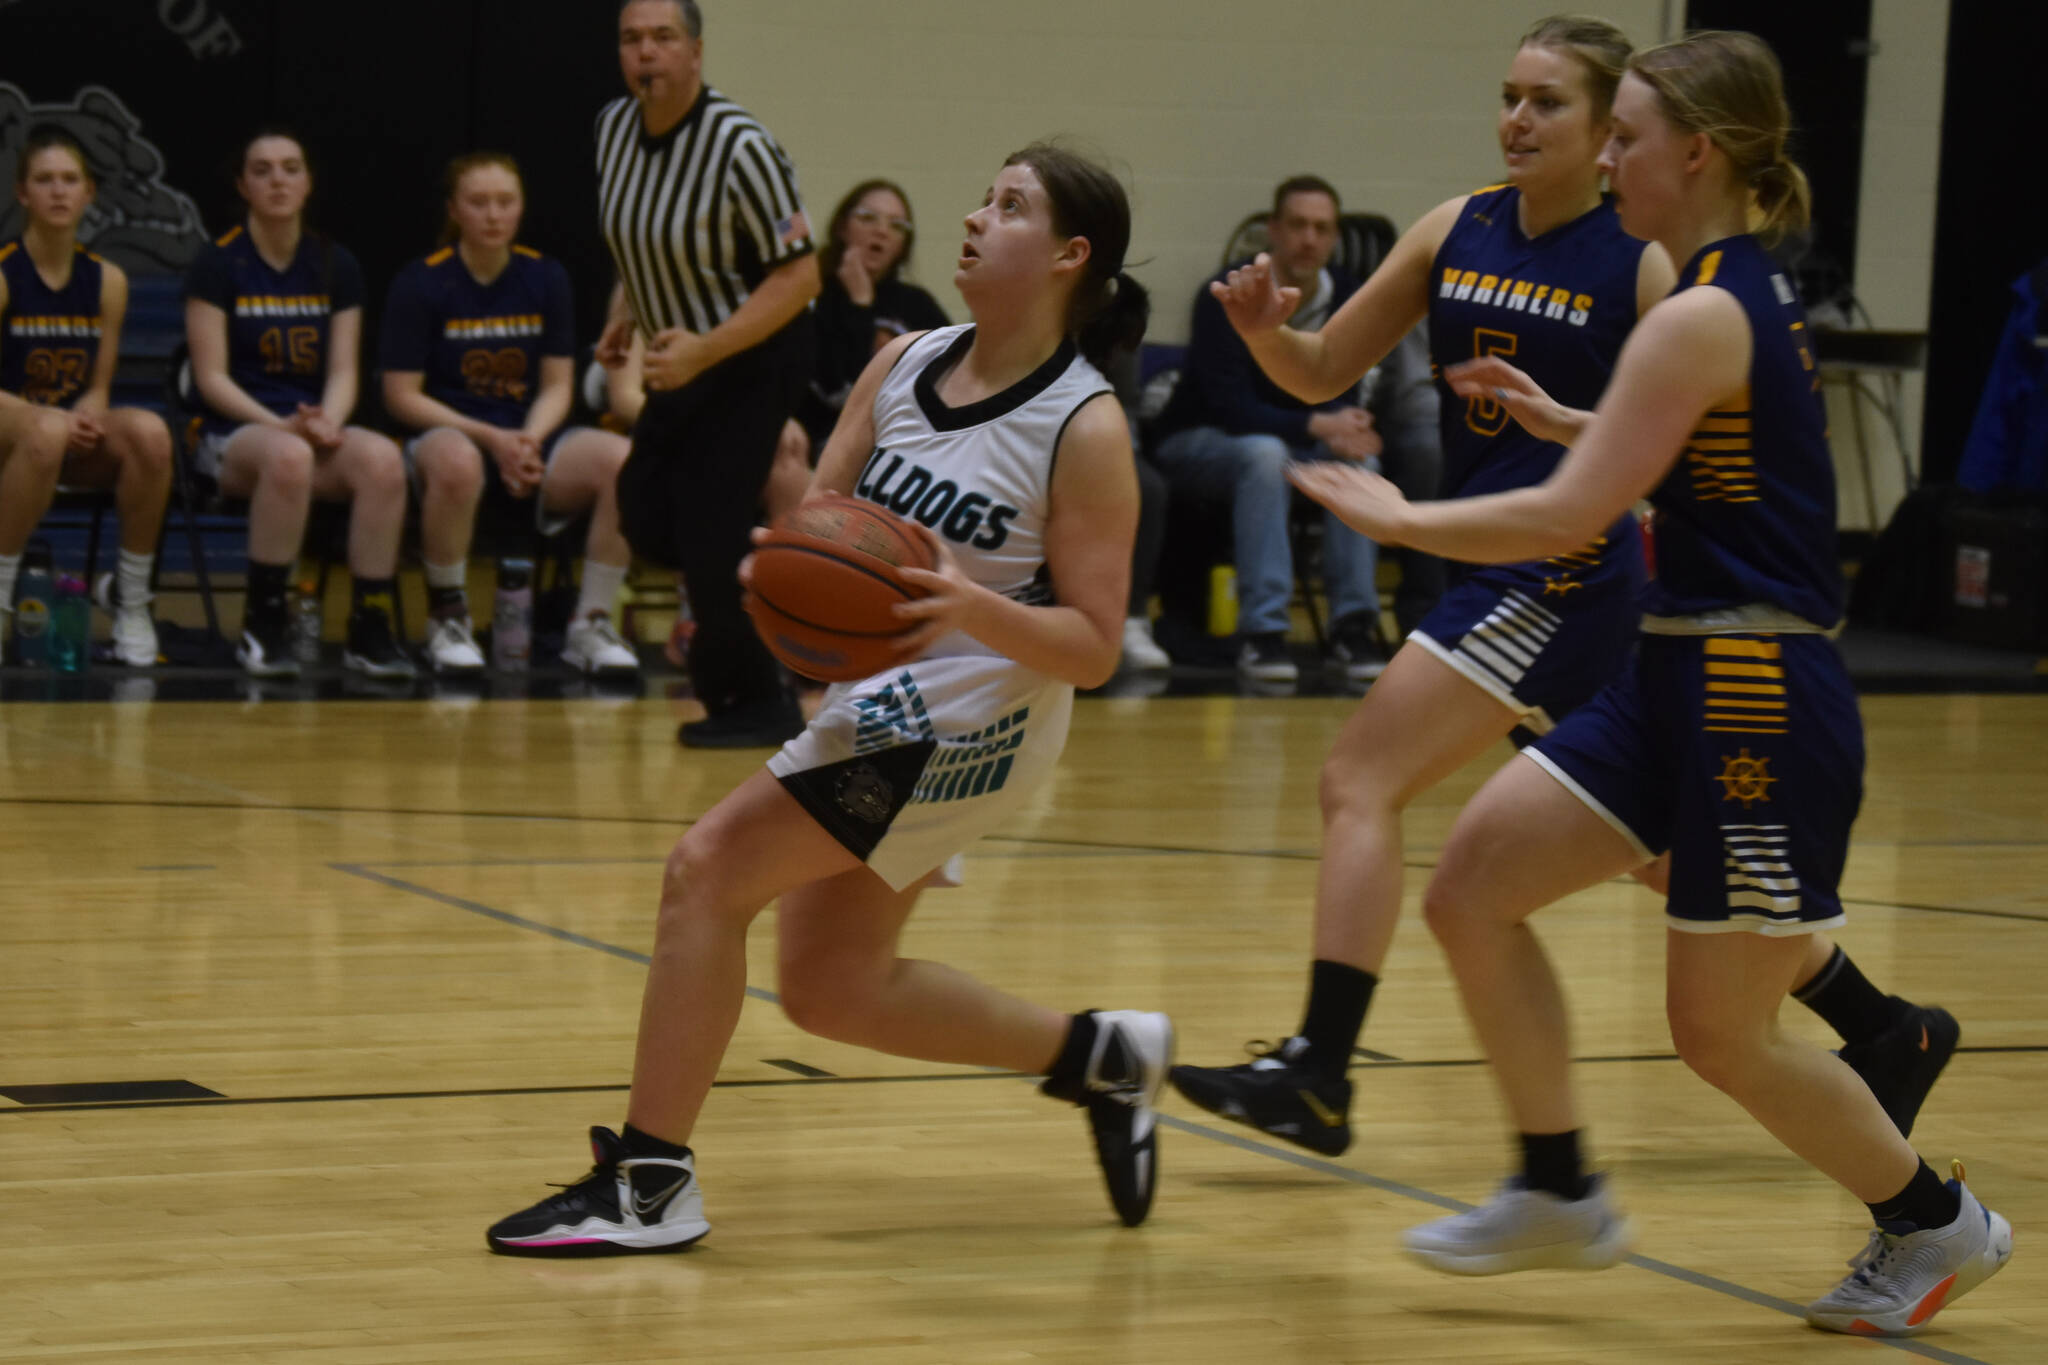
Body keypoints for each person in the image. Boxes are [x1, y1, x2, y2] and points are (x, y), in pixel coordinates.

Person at [1289, 30, 2011, 1335]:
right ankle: (1558, 1182)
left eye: (1625, 137)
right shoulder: (1728, 297)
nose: (1607, 158)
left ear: (1702, 151)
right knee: (1472, 888)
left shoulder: (1698, 308)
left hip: (1756, 692)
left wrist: (1399, 519)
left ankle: (1935, 1221)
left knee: (1717, 1035)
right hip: (1675, 673)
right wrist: (1574, 420)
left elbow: (1565, 513)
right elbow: (1693, 455)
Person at [1170, 15, 1954, 1158]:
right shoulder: (1456, 227)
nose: (1518, 119)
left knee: (1358, 779)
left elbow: (1670, 447)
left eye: (1552, 103)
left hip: (1557, 572)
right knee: (1656, 855)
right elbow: (1321, 366)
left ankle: (1322, 1067)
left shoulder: (1654, 268)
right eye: (1508, 95)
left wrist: (1407, 515)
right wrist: (1262, 337)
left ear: (1611, 134)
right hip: (1524, 576)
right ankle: (1882, 1028)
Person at [485, 141, 1171, 1255]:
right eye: (981, 193)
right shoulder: (900, 361)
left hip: (966, 718)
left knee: (703, 874)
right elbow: (824, 515)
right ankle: (1099, 1055)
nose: (972, 215)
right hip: (879, 698)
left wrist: (963, 606)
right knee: (832, 987)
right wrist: (782, 584)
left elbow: (1094, 647)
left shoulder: (1083, 427)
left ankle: (650, 1183)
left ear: (1066, 255)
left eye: (1006, 206)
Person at [597, 0, 819, 746]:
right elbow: (641, 238)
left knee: (710, 531)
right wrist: (624, 312)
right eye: (632, 39)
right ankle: (761, 619)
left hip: (754, 356)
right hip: (677, 355)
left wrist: (706, 348)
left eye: (663, 38)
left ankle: (761, 701)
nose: (646, 54)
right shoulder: (613, 130)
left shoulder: (740, 146)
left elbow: (800, 276)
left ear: (696, 51)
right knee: (642, 507)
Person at [1151, 175, 1433, 685]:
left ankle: (1354, 626)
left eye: (1322, 228)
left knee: (1359, 462)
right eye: (1298, 225)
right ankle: (1264, 634)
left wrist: (1351, 426)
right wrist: (1320, 422)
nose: (1309, 239)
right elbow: (1229, 407)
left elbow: (1351, 389)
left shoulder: (1350, 293)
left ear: (1334, 238)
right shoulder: (1230, 291)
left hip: (1292, 443)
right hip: (1198, 441)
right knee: (1263, 454)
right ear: (1273, 231)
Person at [381, 152, 638, 677]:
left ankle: (589, 623)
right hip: (449, 436)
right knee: (457, 460)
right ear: (455, 210)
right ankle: (448, 620)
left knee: (623, 460)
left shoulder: (546, 277)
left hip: (529, 437)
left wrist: (526, 438)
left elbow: (558, 386)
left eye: (505, 202)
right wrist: (494, 439)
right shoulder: (422, 281)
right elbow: (402, 396)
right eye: (478, 203)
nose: (493, 215)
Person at [184, 129, 412, 679]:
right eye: (262, 170)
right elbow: (210, 379)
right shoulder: (217, 264)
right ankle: (264, 624)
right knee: (289, 458)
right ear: (243, 185)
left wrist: (329, 419)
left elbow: (343, 370)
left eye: (290, 168)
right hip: (234, 432)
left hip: (312, 427)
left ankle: (369, 627)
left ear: (308, 183)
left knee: (382, 460)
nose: (278, 180)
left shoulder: (337, 265)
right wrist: (281, 425)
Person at [0, 126, 172, 666]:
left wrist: (91, 410)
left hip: (62, 436)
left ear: (89, 192)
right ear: (22, 193)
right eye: (45, 180)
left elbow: (98, 384)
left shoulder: (108, 281)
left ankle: (131, 601)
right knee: (48, 431)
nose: (58, 191)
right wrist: (45, 417)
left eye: (70, 180)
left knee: (149, 432)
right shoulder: (4, 273)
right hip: (15, 429)